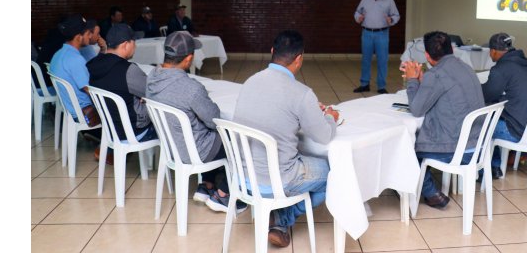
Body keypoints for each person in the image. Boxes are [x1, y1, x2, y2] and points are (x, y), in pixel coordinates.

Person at [232, 30, 338, 248]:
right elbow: (324, 136)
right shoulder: (301, 93)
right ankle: (283, 219)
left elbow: (272, 114)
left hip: (243, 177)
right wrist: (328, 116)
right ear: (299, 59)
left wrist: (304, 113)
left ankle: (277, 219)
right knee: (336, 172)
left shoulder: (250, 81)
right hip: (278, 180)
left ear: (272, 51)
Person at [145, 31, 246, 213]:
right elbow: (214, 120)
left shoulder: (152, 77)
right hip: (194, 150)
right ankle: (224, 194)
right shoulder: (191, 88)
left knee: (207, 133)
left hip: (172, 146)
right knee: (240, 138)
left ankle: (206, 185)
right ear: (189, 58)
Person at [401, 31, 485, 209]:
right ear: (452, 50)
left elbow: (416, 109)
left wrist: (411, 80)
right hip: (478, 143)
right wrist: (422, 81)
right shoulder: (465, 67)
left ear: (427, 56)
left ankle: (431, 193)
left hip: (457, 148)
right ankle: (429, 190)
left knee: (405, 148)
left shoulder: (437, 75)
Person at [480, 33, 527, 175]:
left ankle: (489, 169)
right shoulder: (523, 63)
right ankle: (494, 165)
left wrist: (476, 87)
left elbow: (488, 95)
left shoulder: (501, 68)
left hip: (519, 131)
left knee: (480, 125)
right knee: (493, 118)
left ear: (493, 51)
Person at [86, 24, 157, 145]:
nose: (135, 45)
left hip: (110, 129)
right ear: (125, 44)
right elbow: (154, 92)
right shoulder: (128, 70)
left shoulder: (92, 65)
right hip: (134, 132)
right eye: (133, 41)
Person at [49, 14, 103, 157]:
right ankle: (109, 149)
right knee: (122, 106)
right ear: (79, 36)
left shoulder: (58, 54)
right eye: (88, 33)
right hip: (84, 113)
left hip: (70, 110)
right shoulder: (75, 59)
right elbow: (90, 90)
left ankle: (96, 136)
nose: (90, 35)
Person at [353, 0, 400, 94]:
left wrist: (391, 20)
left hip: (382, 34)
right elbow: (357, 12)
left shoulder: (389, 0)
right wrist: (359, 17)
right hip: (367, 33)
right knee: (366, 59)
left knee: (382, 60)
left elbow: (396, 15)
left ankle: (381, 86)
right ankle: (364, 84)